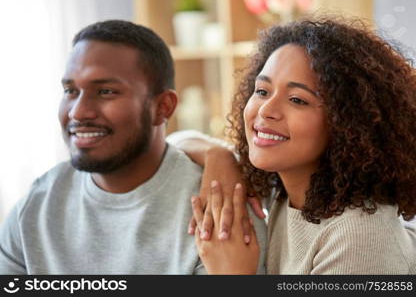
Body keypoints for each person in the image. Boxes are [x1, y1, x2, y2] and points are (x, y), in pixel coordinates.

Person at [0, 19, 267, 274]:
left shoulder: (219, 211)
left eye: (106, 91)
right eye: (71, 91)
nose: (78, 112)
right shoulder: (36, 207)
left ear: (163, 107)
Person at [182, 17, 416, 274]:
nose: (267, 110)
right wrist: (221, 157)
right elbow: (178, 140)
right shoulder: (286, 190)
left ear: (349, 122)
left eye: (297, 100)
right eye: (262, 91)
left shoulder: (359, 237)